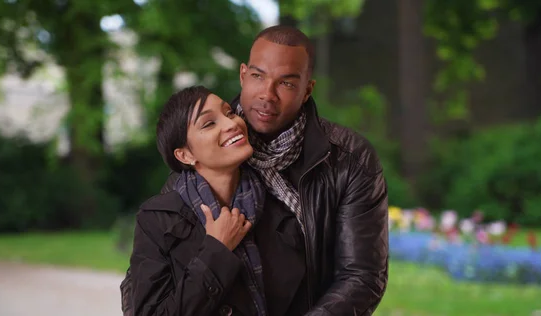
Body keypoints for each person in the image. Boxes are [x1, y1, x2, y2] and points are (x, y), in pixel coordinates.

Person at [122, 24, 389, 315]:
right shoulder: (202, 164)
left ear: (307, 90)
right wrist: (216, 249)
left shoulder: (349, 160)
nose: (267, 95)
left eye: (286, 83)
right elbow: (144, 283)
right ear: (243, 75)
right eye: (258, 77)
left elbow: (361, 275)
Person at [127, 85, 308, 316]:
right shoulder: (158, 220)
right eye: (209, 123)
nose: (232, 124)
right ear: (185, 155)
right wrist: (217, 249)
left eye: (229, 113)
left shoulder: (282, 204)